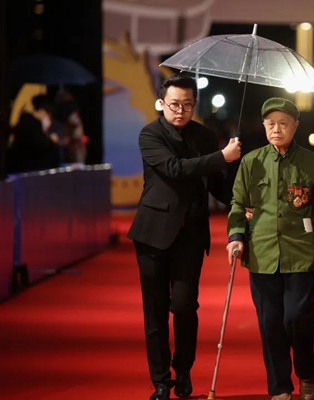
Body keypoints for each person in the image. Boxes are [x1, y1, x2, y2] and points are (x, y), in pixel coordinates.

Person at [127, 74, 242, 400]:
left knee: (185, 306)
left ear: (195, 105)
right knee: (155, 311)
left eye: (187, 105)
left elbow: (215, 183)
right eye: (175, 104)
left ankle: (185, 369)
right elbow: (175, 169)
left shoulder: (205, 136)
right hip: (152, 234)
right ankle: (161, 381)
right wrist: (221, 156)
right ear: (162, 103)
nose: (180, 111)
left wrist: (240, 203)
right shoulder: (150, 134)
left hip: (191, 234)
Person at [226, 97, 314, 400]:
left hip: (301, 253)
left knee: (297, 319)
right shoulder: (251, 162)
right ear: (264, 126)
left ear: (295, 126)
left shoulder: (312, 162)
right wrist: (236, 235)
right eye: (270, 124)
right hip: (261, 254)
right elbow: (238, 203)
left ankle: (306, 374)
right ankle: (280, 387)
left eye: (283, 124)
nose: (276, 129)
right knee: (270, 324)